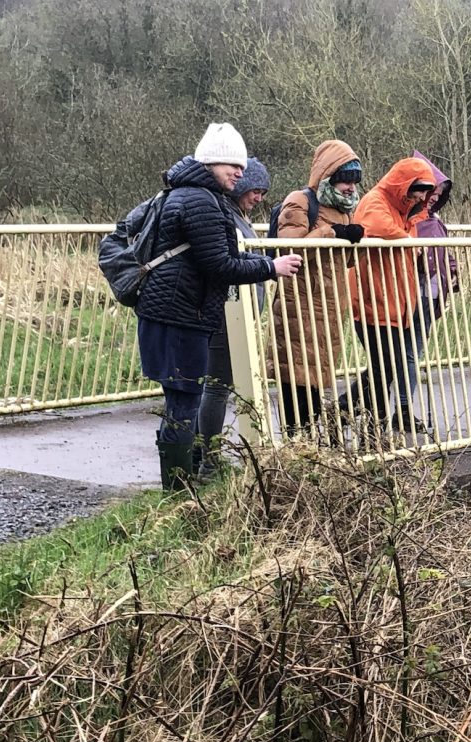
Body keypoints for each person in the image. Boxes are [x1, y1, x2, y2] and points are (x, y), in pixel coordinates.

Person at [136, 123, 301, 490]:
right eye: (233, 166)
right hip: (182, 316)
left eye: (242, 167)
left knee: (181, 400)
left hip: (170, 313)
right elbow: (220, 265)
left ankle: (182, 479)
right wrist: (271, 267)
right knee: (185, 401)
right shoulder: (201, 201)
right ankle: (180, 487)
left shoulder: (181, 193)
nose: (240, 174)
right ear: (211, 161)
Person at [272, 140, 365, 438]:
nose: (351, 188)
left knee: (315, 381)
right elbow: (290, 249)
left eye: (354, 182)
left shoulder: (344, 210)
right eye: (345, 180)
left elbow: (344, 262)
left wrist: (355, 241)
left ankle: (308, 447)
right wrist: (333, 233)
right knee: (296, 380)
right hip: (298, 307)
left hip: (327, 309)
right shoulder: (299, 201)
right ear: (327, 176)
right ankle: (297, 444)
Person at [342, 156, 436, 436]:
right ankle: (370, 428)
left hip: (394, 302)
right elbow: (375, 225)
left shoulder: (407, 212)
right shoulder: (376, 201)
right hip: (373, 300)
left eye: (425, 190)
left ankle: (349, 414)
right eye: (418, 188)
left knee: (385, 368)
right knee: (386, 367)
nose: (422, 195)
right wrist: (407, 240)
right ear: (403, 184)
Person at [193, 156, 271, 478]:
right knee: (217, 388)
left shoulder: (237, 215)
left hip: (235, 312)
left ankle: (199, 453)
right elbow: (230, 263)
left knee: (215, 386)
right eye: (255, 190)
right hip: (227, 312)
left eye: (264, 193)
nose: (259, 198)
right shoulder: (227, 216)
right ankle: (207, 460)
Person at [394, 150, 457, 435]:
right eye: (431, 191)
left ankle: (359, 401)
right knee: (408, 351)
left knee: (407, 352)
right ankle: (403, 410)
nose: (434, 196)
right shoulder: (410, 219)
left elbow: (443, 250)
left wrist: (452, 271)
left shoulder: (434, 220)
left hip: (432, 294)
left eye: (439, 192)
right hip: (414, 292)